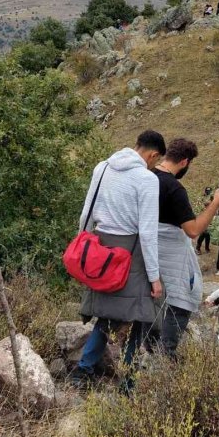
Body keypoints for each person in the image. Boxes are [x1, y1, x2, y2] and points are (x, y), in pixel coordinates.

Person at [71, 130, 166, 388]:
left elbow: (85, 216)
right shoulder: (147, 179)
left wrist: (83, 252)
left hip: (101, 250)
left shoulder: (102, 168)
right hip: (130, 252)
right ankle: (128, 380)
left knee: (107, 312)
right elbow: (147, 232)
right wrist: (155, 277)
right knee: (143, 314)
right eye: (156, 162)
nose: (155, 165)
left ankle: (83, 370)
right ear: (153, 154)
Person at [152, 139, 219, 358]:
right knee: (182, 298)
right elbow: (193, 230)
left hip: (147, 247)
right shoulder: (174, 188)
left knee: (156, 298)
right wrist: (215, 203)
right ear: (185, 161)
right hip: (170, 252)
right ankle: (167, 351)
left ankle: (149, 343)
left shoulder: (147, 176)